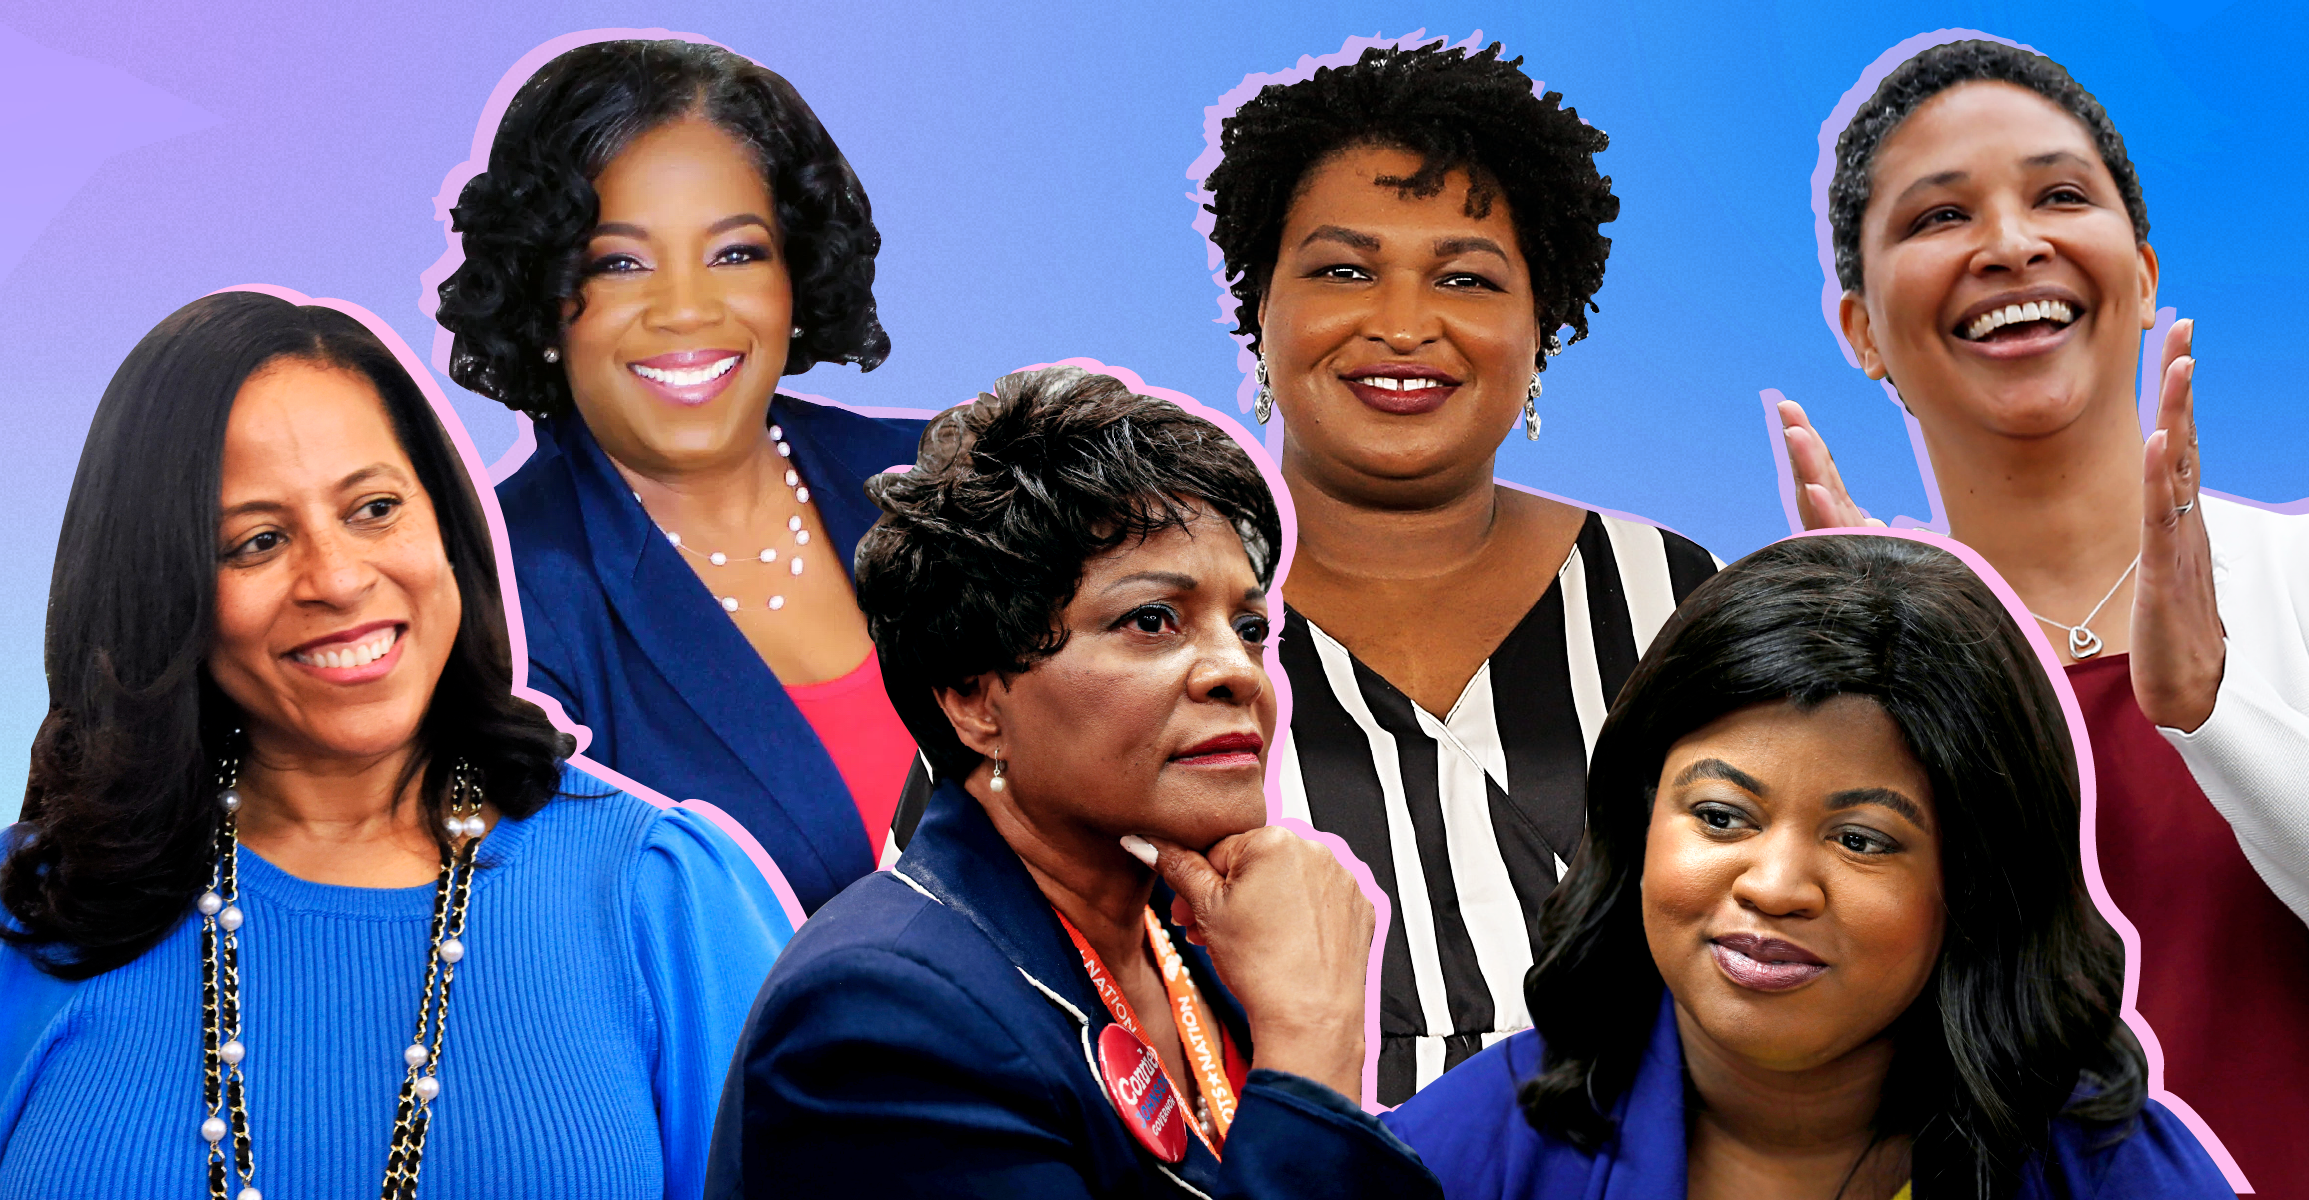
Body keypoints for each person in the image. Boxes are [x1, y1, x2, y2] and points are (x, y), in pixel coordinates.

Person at [1779, 39, 2309, 1197]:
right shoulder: (1842, 669)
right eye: (1937, 217)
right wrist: (1859, 708)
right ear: (1862, 331)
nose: (2011, 244)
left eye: (2061, 195)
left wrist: (2221, 715)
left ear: (2144, 267)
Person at [0, 292, 790, 1199]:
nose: (337, 578)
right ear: (162, 593)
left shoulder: (663, 893)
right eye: (256, 542)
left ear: (448, 527)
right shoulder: (31, 923)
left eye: (375, 508)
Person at [707, 366, 1439, 1198]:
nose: (1239, 672)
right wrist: (1311, 1047)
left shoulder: (1210, 944)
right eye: (1152, 620)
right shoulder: (883, 1011)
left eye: (1249, 627)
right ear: (975, 699)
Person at [1389, 533, 2233, 1199]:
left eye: (1862, 839)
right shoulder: (1466, 1154)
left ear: (1977, 881)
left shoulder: (2112, 1169)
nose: (1775, 887)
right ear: (1639, 821)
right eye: (1720, 817)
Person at [1201, 40, 1719, 1103]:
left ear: (1543, 330)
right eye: (1344, 269)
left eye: (1466, 278)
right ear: (1261, 311)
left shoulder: (1671, 597)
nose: (1402, 323)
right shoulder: (1130, 613)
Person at [437, 38, 926, 912]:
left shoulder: (943, 477)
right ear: (547, 293)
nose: (688, 310)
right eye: (620, 262)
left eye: (736, 253)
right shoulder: (495, 594)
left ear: (794, 273)